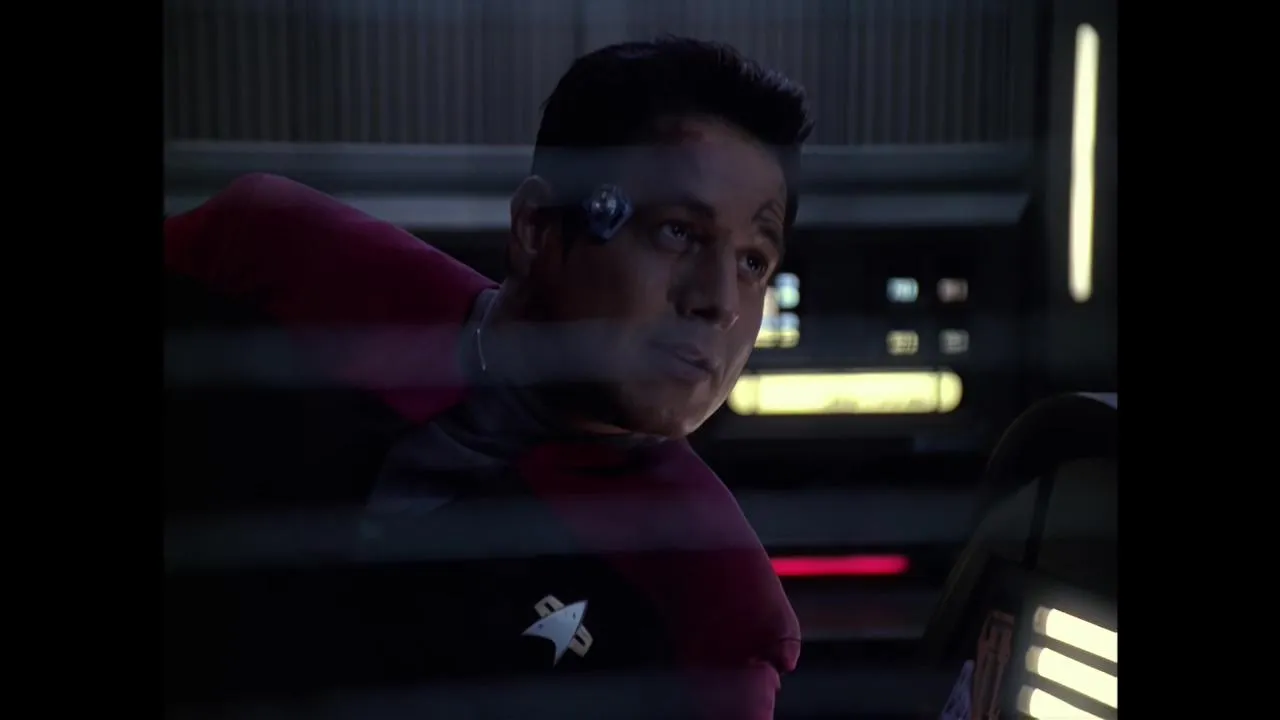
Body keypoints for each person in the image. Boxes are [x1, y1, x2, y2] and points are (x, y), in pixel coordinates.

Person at [164, 37, 813, 719]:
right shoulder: (270, 262)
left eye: (753, 262)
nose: (721, 301)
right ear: (537, 227)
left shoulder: (712, 608)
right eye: (678, 231)